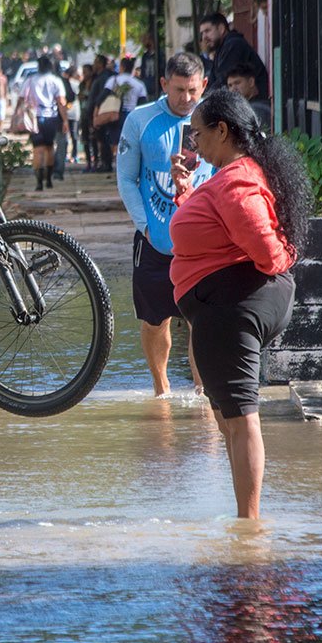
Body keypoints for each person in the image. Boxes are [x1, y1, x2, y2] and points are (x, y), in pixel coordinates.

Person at [168, 88, 311, 518]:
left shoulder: (236, 181)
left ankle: (249, 528)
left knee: (242, 415)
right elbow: (214, 230)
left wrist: (287, 259)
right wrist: (186, 193)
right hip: (224, 303)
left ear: (222, 130)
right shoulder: (230, 176)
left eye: (197, 135)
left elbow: (268, 250)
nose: (193, 144)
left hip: (234, 304)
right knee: (229, 414)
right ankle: (243, 518)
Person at [116, 52, 211, 396]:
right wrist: (144, 225)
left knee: (203, 321)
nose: (186, 99)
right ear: (163, 85)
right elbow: (126, 178)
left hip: (202, 240)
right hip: (155, 237)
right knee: (156, 320)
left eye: (192, 90)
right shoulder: (140, 120)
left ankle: (204, 394)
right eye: (178, 90)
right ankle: (162, 389)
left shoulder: (213, 119)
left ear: (204, 85)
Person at [24, 55, 69, 191]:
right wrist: (65, 120)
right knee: (49, 148)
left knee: (37, 150)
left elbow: (22, 98)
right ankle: (48, 179)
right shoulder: (56, 81)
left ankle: (39, 183)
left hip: (34, 118)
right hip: (51, 118)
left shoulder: (30, 80)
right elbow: (61, 102)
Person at [198, 13, 268, 97]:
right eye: (202, 33)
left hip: (256, 103)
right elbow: (213, 81)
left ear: (221, 29)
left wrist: (204, 100)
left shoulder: (234, 45)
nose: (204, 37)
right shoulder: (222, 49)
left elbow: (222, 81)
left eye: (207, 31)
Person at [104, 56, 149, 162]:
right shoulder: (139, 84)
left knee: (115, 141)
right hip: (132, 115)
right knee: (130, 141)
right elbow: (143, 103)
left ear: (121, 67)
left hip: (115, 115)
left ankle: (116, 162)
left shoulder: (113, 80)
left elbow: (103, 95)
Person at [87, 53, 116, 172]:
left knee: (103, 140)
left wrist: (96, 110)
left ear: (100, 64)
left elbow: (102, 95)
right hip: (97, 111)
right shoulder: (98, 77)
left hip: (101, 112)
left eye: (96, 62)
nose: (93, 65)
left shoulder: (104, 77)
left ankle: (106, 164)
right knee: (100, 139)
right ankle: (104, 163)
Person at [226, 64, 273, 131]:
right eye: (230, 85)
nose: (233, 89)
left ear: (251, 82)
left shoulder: (257, 109)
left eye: (237, 83)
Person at [78, 63, 96, 171]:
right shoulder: (82, 84)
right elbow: (80, 96)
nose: (84, 74)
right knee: (85, 139)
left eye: (86, 71)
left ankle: (96, 162)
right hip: (84, 114)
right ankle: (88, 162)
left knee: (94, 139)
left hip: (93, 114)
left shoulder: (95, 83)